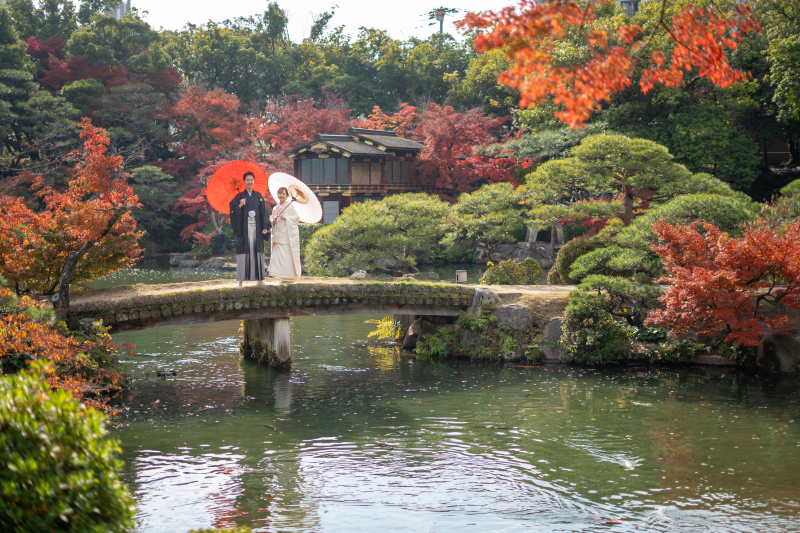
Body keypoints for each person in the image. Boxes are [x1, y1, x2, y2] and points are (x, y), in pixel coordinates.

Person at [229, 172, 270, 287]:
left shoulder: (259, 196)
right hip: (244, 230)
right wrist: (240, 206)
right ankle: (240, 280)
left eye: (251, 180)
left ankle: (260, 279)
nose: (250, 182)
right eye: (247, 180)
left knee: (257, 251)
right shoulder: (239, 197)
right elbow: (232, 212)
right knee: (243, 252)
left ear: (254, 181)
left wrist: (265, 227)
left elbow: (264, 213)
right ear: (244, 182)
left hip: (257, 228)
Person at [268, 187, 302, 283]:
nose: (281, 195)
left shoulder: (290, 207)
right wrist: (273, 220)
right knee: (279, 257)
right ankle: (282, 277)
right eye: (280, 193)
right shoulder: (275, 208)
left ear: (287, 196)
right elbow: (271, 219)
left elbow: (296, 219)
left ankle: (289, 278)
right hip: (278, 235)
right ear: (277, 195)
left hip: (287, 237)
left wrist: (286, 218)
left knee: (287, 257)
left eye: (284, 194)